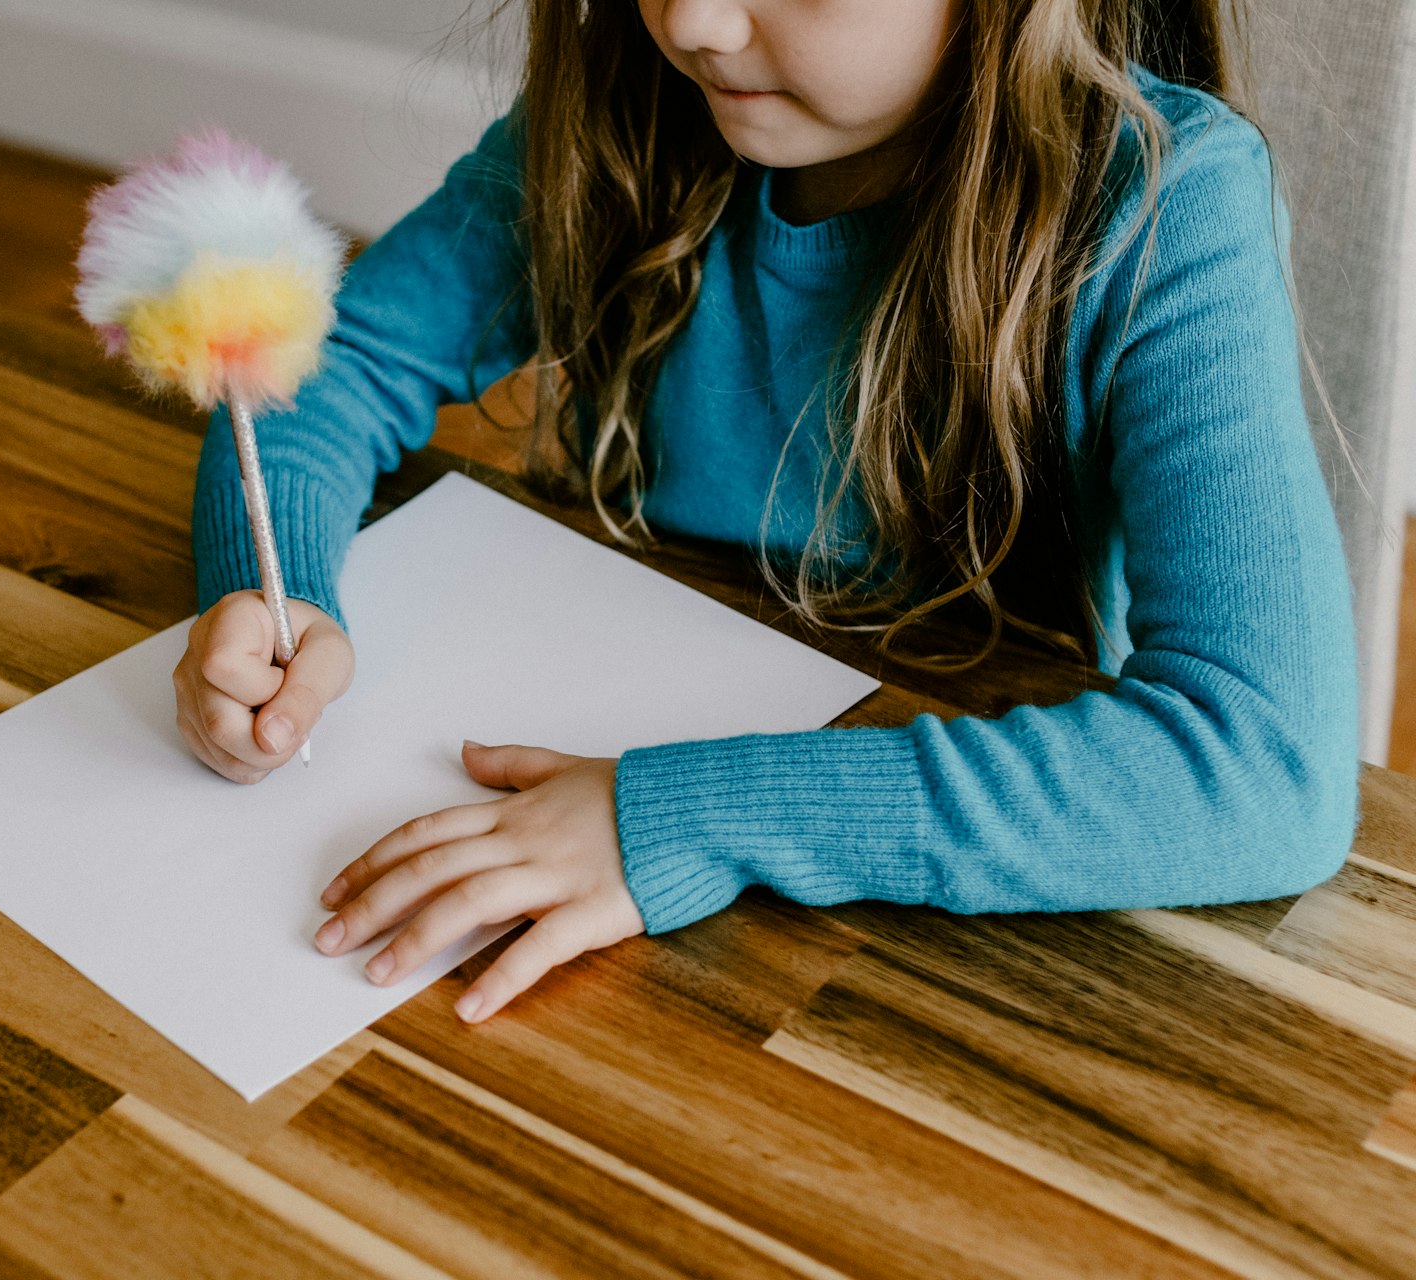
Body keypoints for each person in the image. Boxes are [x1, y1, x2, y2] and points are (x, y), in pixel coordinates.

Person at [171, 0, 1358, 1023]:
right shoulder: (623, 110)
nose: (690, 20)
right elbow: (323, 367)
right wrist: (269, 590)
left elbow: (1265, 765)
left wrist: (680, 817)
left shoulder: (1167, 203)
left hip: (926, 949)